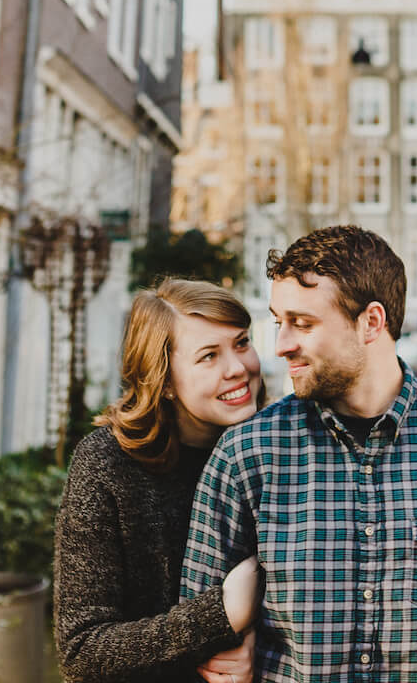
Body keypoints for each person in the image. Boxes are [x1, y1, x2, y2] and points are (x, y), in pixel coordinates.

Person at [179, 226, 417, 681]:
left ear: (371, 322)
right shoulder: (249, 453)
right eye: (278, 322)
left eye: (302, 324)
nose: (282, 344)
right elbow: (201, 629)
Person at [55, 279, 268, 683]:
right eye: (209, 356)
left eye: (242, 343)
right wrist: (219, 616)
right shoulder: (107, 465)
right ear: (165, 380)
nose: (238, 368)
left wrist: (261, 651)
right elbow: (81, 653)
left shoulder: (279, 455)